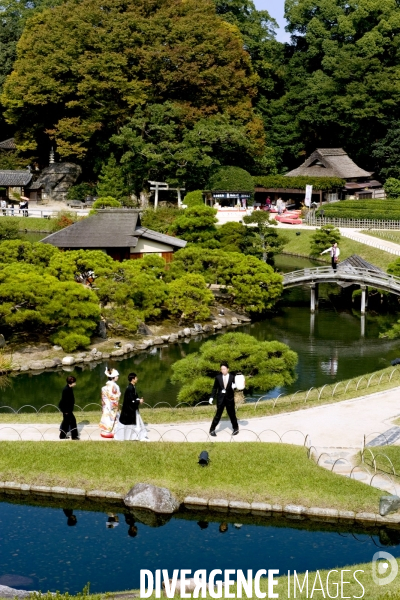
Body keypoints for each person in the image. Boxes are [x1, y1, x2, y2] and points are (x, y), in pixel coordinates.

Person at [114, 372, 149, 441]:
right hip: (128, 410)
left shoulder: (132, 387)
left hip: (131, 409)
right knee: (129, 424)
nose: (137, 379)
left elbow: (133, 398)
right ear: (133, 379)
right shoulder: (130, 388)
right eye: (136, 378)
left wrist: (139, 400)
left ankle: (133, 436)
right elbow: (131, 401)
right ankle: (129, 437)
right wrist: (139, 401)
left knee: (135, 423)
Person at [209, 362, 239, 437]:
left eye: (224, 369)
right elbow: (215, 388)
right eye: (222, 369)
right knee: (218, 414)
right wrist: (212, 397)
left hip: (229, 398)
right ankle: (212, 429)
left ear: (228, 369)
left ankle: (236, 428)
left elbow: (236, 386)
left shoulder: (232, 377)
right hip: (221, 399)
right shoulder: (218, 377)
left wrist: (234, 386)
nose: (223, 370)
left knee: (232, 414)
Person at [99, 368, 121, 438]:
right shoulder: (114, 386)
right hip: (111, 405)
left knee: (106, 418)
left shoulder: (105, 386)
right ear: (113, 377)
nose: (117, 377)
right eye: (117, 376)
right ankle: (113, 431)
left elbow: (103, 397)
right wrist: (118, 395)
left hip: (106, 405)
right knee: (112, 418)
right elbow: (112, 396)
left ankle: (105, 431)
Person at [59, 375, 79, 440]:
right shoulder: (66, 390)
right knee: (72, 421)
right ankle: (74, 436)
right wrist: (66, 411)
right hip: (67, 409)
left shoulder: (69, 388)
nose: (75, 383)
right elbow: (64, 401)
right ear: (71, 382)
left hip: (68, 409)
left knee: (66, 422)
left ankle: (62, 435)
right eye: (74, 382)